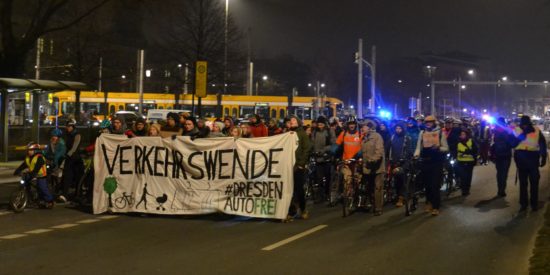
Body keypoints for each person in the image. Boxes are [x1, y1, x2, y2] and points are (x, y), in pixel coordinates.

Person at [414, 115, 449, 216]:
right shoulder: (422, 132)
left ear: (434, 122)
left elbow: (446, 148)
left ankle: (436, 206)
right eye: (427, 122)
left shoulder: (440, 133)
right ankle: (428, 203)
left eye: (430, 122)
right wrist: (416, 155)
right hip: (425, 161)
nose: (428, 124)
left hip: (436, 162)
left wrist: (438, 148)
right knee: (427, 185)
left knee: (435, 185)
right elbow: (418, 147)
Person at [512, 115, 547, 211]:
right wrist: (524, 134)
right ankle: (524, 204)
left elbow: (542, 143)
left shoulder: (536, 130)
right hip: (522, 158)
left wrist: (543, 156)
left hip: (532, 158)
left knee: (534, 182)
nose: (525, 125)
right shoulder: (516, 130)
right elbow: (513, 143)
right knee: (523, 183)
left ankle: (533, 204)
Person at [285, 115, 312, 221]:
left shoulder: (302, 134)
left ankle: (303, 209)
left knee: (298, 189)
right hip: (288, 166)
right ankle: (291, 211)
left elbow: (307, 148)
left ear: (298, 122)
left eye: (294, 120)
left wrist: (301, 163)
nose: (291, 121)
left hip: (298, 166)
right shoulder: (287, 134)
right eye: (290, 120)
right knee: (289, 190)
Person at [332, 117, 363, 204]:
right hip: (346, 161)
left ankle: (357, 195)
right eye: (350, 124)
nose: (351, 125)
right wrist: (332, 151)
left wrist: (360, 154)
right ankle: (348, 195)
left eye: (353, 123)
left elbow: (364, 145)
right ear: (347, 125)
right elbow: (337, 143)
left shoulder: (360, 134)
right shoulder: (344, 133)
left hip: (357, 161)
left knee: (357, 179)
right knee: (347, 178)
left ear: (355, 124)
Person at [14, 142, 54, 208]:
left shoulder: (39, 157)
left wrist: (32, 173)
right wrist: (17, 170)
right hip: (32, 173)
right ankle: (28, 198)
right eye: (28, 150)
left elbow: (37, 168)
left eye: (30, 150)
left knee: (41, 187)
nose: (29, 152)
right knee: (24, 183)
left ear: (35, 150)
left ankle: (50, 200)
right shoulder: (28, 157)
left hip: (41, 175)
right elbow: (23, 165)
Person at [362, 120, 385, 216]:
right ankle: (371, 204)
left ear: (369, 128)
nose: (362, 128)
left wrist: (373, 159)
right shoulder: (365, 138)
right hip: (368, 167)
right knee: (369, 187)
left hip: (377, 167)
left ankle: (378, 208)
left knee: (377, 188)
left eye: (364, 127)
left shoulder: (377, 137)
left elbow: (379, 151)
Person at [310, 116, 335, 201]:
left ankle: (327, 193)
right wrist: (313, 151)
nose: (320, 126)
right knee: (319, 178)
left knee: (328, 177)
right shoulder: (314, 132)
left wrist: (324, 150)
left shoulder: (329, 131)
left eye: (321, 124)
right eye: (319, 125)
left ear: (324, 124)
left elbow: (333, 144)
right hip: (318, 159)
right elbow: (312, 143)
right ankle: (320, 196)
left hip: (327, 158)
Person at [490, 117, 516, 197]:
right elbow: (513, 144)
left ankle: (499, 190)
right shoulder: (508, 131)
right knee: (504, 173)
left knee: (499, 173)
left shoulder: (494, 131)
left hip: (498, 155)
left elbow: (492, 143)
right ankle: (502, 190)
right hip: (506, 155)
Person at [388, 122, 412, 207]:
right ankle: (397, 195)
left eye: (400, 128)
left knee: (402, 181)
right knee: (396, 181)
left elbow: (409, 151)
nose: (398, 130)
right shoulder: (393, 137)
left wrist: (404, 160)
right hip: (394, 162)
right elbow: (389, 148)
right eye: (397, 128)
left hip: (403, 163)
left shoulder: (406, 138)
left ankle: (401, 198)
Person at [63, 119, 83, 201]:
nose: (67, 128)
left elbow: (74, 147)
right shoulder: (68, 134)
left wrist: (68, 155)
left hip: (75, 158)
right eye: (67, 126)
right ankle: (65, 194)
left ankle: (78, 194)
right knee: (67, 176)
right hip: (70, 157)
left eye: (69, 126)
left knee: (78, 176)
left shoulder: (77, 135)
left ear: (73, 127)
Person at [456, 129, 478, 196]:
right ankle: (463, 189)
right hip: (460, 162)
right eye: (461, 134)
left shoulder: (471, 141)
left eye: (464, 134)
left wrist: (469, 152)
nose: (462, 136)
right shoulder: (457, 142)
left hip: (469, 162)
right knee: (462, 176)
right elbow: (455, 151)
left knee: (468, 176)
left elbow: (476, 150)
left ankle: (467, 189)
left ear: (467, 135)